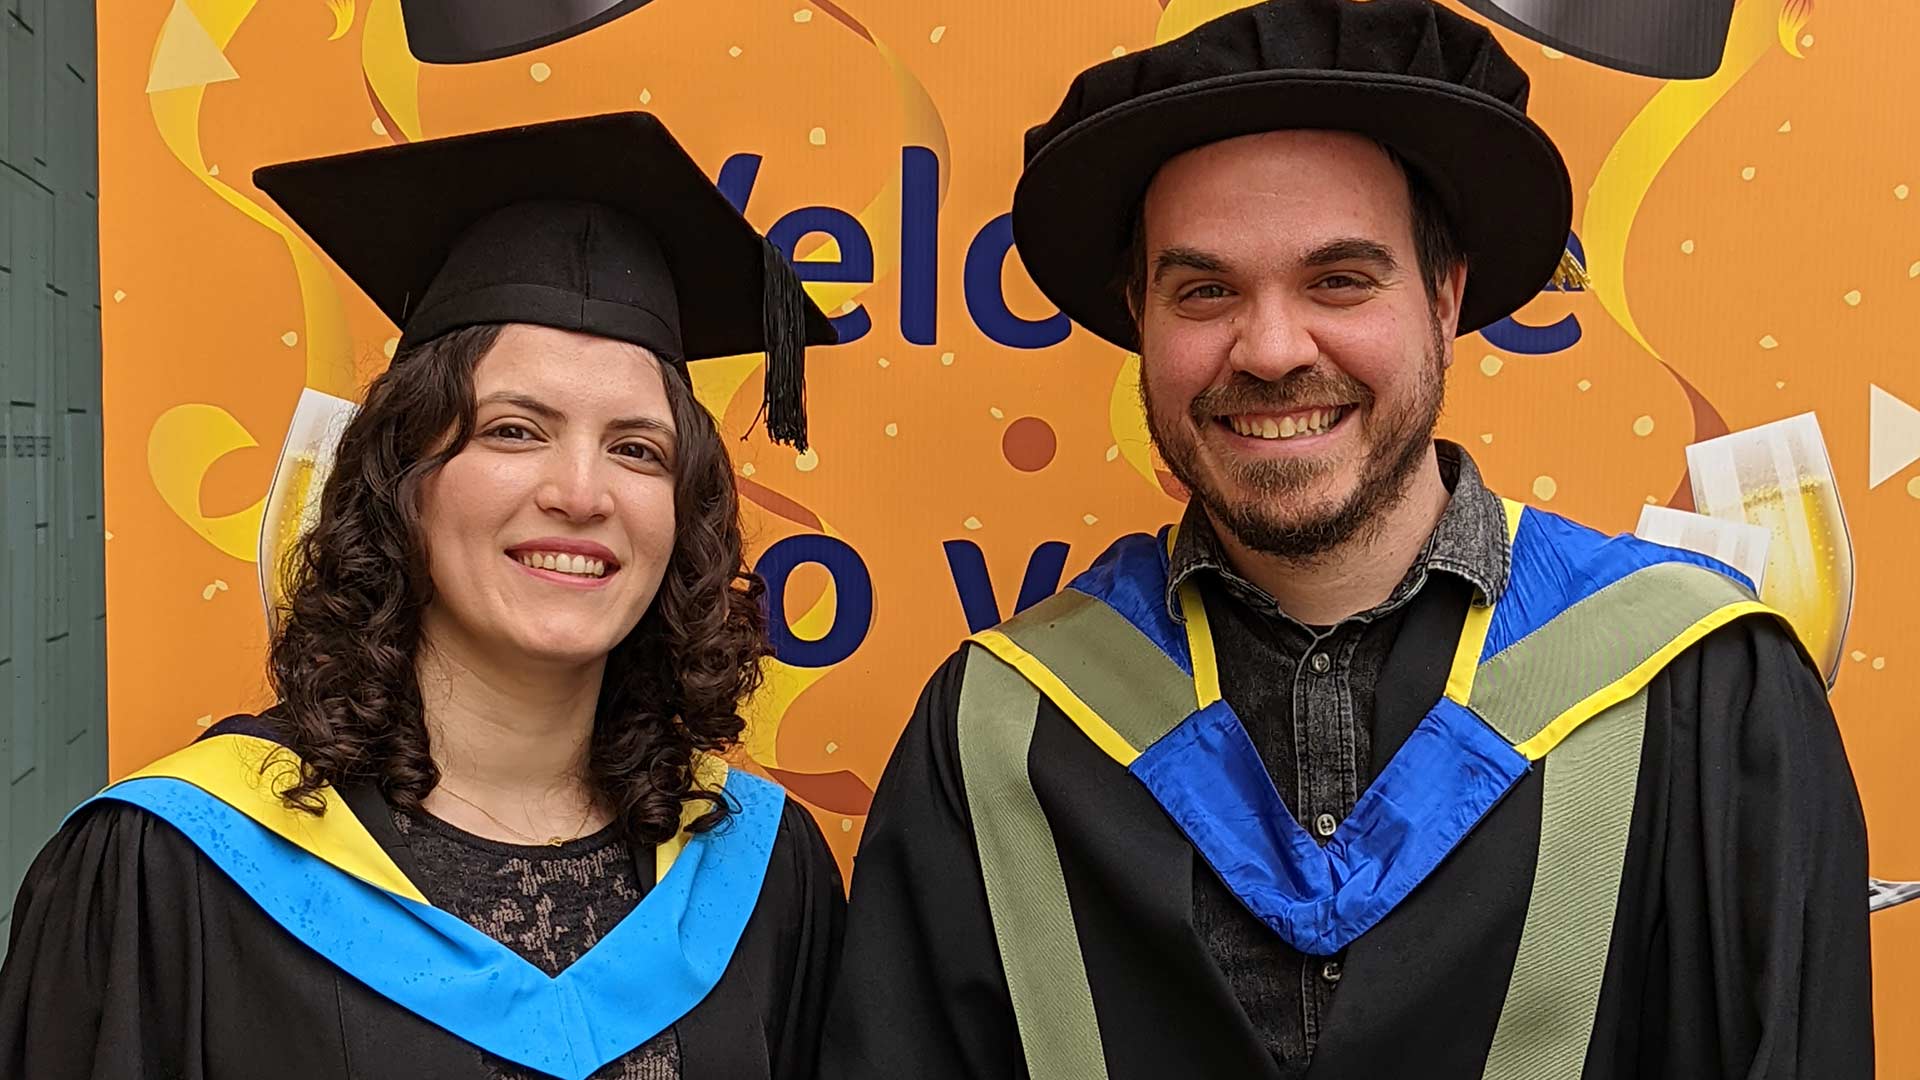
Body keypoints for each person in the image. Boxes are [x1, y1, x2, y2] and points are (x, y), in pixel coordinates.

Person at [820, 1, 1873, 1077]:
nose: (1272, 349)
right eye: (1205, 290)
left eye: (1339, 280)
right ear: (1141, 319)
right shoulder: (996, 735)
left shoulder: (1703, 694)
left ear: (1445, 296)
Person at [0, 111, 844, 1080]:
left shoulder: (760, 880)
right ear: (403, 480)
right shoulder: (176, 873)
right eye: (514, 431)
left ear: (681, 514)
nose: (580, 492)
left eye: (636, 449)